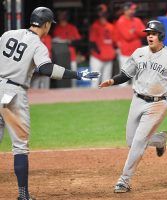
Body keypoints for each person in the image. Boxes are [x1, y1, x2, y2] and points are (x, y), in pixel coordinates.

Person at [0, 7, 99, 200]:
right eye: (49, 25)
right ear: (45, 24)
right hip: (13, 94)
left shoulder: (8, 34)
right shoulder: (38, 45)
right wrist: (77, 74)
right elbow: (46, 69)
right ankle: (23, 195)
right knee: (20, 146)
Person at [99, 20, 167, 193]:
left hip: (158, 103)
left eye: (153, 34)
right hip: (137, 100)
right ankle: (159, 139)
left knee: (139, 141)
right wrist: (112, 81)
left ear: (161, 36)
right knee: (132, 142)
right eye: (148, 34)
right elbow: (125, 74)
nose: (149, 37)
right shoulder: (139, 53)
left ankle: (124, 180)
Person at [114, 1, 146, 86]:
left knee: (137, 79)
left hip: (137, 53)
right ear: (125, 10)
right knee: (124, 79)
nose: (133, 11)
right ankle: (121, 97)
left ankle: (136, 98)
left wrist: (134, 31)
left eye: (134, 9)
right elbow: (127, 36)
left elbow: (144, 33)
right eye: (131, 9)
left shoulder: (137, 20)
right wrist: (136, 31)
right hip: (125, 53)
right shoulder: (121, 21)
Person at [88, 4, 116, 88]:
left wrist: (111, 53)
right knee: (94, 83)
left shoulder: (111, 27)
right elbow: (92, 43)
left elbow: (114, 43)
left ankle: (106, 100)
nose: (102, 15)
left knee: (106, 82)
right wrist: (100, 53)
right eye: (100, 12)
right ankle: (92, 99)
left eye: (103, 13)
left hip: (108, 58)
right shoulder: (95, 26)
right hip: (97, 58)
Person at [52, 10, 82, 86]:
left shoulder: (72, 27)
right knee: (62, 80)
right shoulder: (57, 28)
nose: (62, 17)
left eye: (63, 15)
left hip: (72, 57)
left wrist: (68, 41)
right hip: (61, 58)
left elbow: (78, 42)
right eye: (60, 15)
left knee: (73, 80)